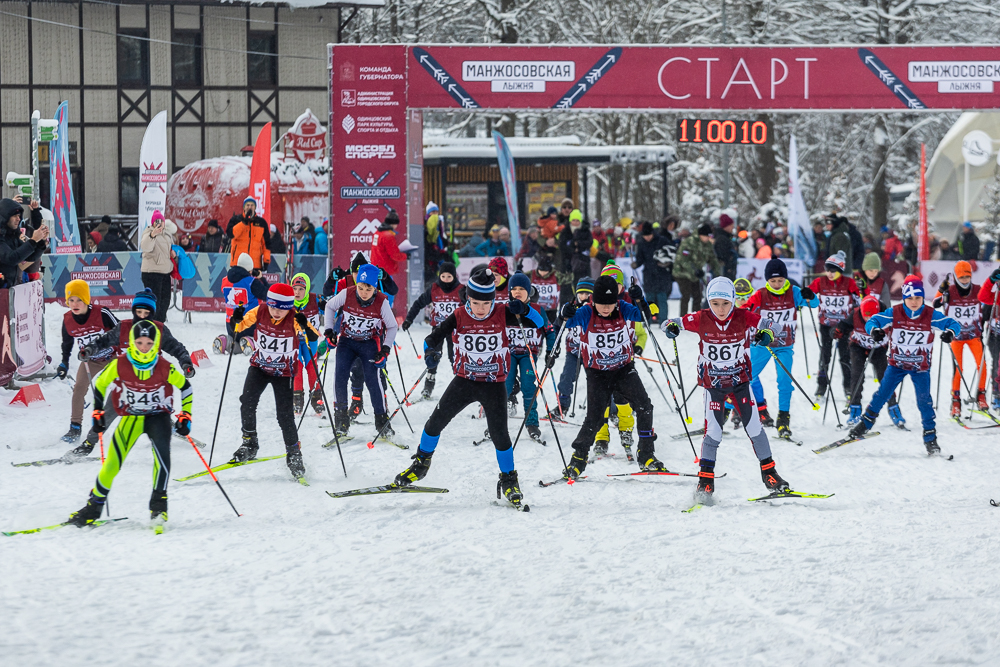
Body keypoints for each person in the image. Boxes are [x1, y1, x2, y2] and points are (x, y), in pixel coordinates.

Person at [393, 266, 541, 508]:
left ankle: (509, 479)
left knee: (500, 436)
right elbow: (434, 337)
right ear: (468, 299)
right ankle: (420, 465)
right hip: (464, 380)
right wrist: (430, 352)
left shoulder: (504, 312)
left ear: (493, 300)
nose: (480, 309)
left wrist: (524, 309)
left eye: (486, 304)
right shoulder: (460, 314)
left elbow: (538, 323)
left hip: (494, 383)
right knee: (434, 423)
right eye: (475, 303)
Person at [663, 277, 789, 504]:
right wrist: (671, 327)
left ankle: (770, 475)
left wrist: (767, 334)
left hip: (740, 384)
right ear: (709, 302)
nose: (720, 309)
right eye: (715, 303)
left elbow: (776, 326)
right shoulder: (700, 318)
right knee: (714, 431)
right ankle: (705, 479)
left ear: (733, 301)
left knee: (754, 428)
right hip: (714, 386)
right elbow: (669, 323)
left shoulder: (743, 316)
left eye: (725, 303)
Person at [65, 320, 194, 530]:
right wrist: (97, 411)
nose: (144, 347)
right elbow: (101, 383)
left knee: (162, 462)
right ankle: (92, 508)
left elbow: (185, 387)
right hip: (131, 418)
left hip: (158, 418)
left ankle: (158, 508)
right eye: (140, 342)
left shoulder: (163, 366)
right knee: (112, 463)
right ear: (133, 342)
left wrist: (185, 416)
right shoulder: (121, 363)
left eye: (149, 343)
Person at [556, 275, 662, 479]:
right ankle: (578, 460)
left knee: (644, 407)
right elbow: (566, 322)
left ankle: (646, 455)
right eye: (601, 304)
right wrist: (564, 313)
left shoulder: (623, 308)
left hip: (623, 369)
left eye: (610, 303)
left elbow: (644, 316)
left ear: (616, 300)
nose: (606, 308)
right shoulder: (586, 311)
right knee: (594, 418)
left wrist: (640, 300)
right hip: (598, 373)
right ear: (593, 301)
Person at [849, 277, 961, 455]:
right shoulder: (895, 312)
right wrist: (875, 330)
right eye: (910, 298)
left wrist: (950, 333)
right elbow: (873, 321)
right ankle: (865, 424)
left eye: (918, 298)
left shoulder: (930, 314)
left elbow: (953, 324)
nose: (914, 302)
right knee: (882, 394)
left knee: (924, 401)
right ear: (904, 298)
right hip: (896, 365)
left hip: (920, 367)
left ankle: (930, 438)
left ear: (923, 298)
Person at [229, 283, 320, 481]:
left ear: (289, 307)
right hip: (259, 368)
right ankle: (249, 443)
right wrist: (234, 319)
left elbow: (314, 337)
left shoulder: (295, 317)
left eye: (281, 308)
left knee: (284, 415)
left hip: (284, 372)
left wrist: (305, 325)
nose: (276, 312)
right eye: (273, 307)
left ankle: (294, 454)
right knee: (247, 402)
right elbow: (238, 326)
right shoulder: (260, 311)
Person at [744, 258, 818, 439]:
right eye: (773, 281)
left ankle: (783, 418)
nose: (777, 284)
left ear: (785, 278)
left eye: (780, 280)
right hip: (762, 345)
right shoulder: (760, 294)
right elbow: (745, 312)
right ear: (767, 280)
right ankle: (726, 412)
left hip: (784, 346)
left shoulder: (793, 292)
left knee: (785, 382)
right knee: (745, 376)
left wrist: (810, 295)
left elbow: (814, 304)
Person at [323, 264, 398, 440]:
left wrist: (385, 350)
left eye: (368, 288)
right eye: (361, 287)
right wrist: (328, 331)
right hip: (347, 342)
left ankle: (382, 421)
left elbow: (393, 326)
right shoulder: (347, 293)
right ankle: (341, 421)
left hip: (368, 344)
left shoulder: (381, 301)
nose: (364, 292)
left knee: (373, 381)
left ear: (375, 287)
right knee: (340, 377)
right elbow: (329, 307)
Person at [56, 280, 120, 444]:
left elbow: (121, 330)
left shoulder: (101, 313)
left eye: (79, 300)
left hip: (113, 356)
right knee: (79, 388)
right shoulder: (68, 319)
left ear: (86, 300)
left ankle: (154, 415)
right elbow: (67, 343)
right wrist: (64, 363)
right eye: (71, 300)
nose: (75, 304)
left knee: (129, 386)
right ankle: (75, 427)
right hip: (90, 360)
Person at [502, 272, 556, 443]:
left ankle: (532, 422)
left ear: (529, 291)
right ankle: (498, 423)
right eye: (514, 289)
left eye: (521, 289)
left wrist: (550, 352)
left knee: (528, 386)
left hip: (528, 354)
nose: (517, 292)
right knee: (505, 386)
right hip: (509, 353)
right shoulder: (504, 308)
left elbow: (547, 329)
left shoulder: (538, 309)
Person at [837, 295, 903, 427]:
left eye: (872, 317)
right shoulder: (855, 314)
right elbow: (843, 325)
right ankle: (855, 410)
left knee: (885, 377)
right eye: (866, 316)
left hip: (878, 349)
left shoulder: (887, 316)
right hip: (858, 347)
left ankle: (893, 408)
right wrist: (837, 331)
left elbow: (899, 329)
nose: (868, 320)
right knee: (857, 375)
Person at [933, 261, 988, 413]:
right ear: (956, 276)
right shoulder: (949, 290)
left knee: (982, 365)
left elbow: (989, 300)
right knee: (958, 369)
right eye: (962, 277)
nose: (965, 280)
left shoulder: (977, 289)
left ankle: (981, 396)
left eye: (967, 277)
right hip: (955, 337)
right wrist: (941, 290)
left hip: (974, 335)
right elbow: (936, 304)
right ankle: (955, 401)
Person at [403, 261, 461, 400]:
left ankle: (460, 387)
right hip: (439, 329)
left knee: (455, 358)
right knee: (432, 356)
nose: (446, 279)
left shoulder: (461, 290)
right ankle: (428, 385)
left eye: (449, 277)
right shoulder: (434, 289)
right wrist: (409, 319)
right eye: (443, 276)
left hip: (456, 330)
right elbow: (418, 303)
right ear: (439, 276)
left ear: (454, 276)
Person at [808, 250, 859, 399]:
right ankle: (822, 385)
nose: (829, 274)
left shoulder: (849, 283)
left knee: (845, 356)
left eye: (833, 271)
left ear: (840, 270)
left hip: (844, 325)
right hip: (826, 324)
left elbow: (859, 301)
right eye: (827, 270)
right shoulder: (820, 281)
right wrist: (806, 294)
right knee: (825, 355)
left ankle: (848, 386)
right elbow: (809, 293)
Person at [556, 277, 594, 414]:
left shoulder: (595, 308)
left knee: (598, 381)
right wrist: (555, 344)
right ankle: (563, 406)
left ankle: (612, 409)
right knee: (566, 377)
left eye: (587, 294)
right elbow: (558, 325)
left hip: (592, 353)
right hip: (573, 351)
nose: (583, 297)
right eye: (581, 293)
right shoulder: (570, 307)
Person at [219, 252, 269, 354]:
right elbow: (267, 295)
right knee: (259, 340)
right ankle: (250, 342)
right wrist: (261, 278)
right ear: (250, 269)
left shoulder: (225, 280)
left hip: (231, 325)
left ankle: (226, 342)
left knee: (236, 346)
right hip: (249, 325)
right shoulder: (252, 282)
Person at [291, 273, 326, 416]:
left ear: (307, 289)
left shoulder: (314, 299)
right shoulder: (288, 301)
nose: (297, 292)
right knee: (297, 367)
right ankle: (297, 398)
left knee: (312, 366)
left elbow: (330, 309)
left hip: (310, 340)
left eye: (301, 289)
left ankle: (317, 399)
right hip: (294, 340)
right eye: (295, 289)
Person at [673, 223, 722, 317]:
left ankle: (697, 318)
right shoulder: (689, 242)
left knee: (697, 296)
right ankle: (683, 318)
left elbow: (712, 259)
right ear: (701, 235)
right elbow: (683, 260)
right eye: (707, 236)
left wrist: (718, 273)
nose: (708, 238)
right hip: (682, 273)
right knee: (686, 295)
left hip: (695, 275)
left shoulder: (707, 245)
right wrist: (694, 270)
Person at [0, 197, 47, 288]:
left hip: (9, 289)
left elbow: (31, 257)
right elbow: (11, 258)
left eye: (19, 216)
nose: (18, 219)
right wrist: (33, 241)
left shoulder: (12, 235)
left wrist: (40, 241)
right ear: (5, 217)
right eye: (15, 216)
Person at [632, 221, 673, 321]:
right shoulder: (641, 243)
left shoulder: (662, 240)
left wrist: (667, 263)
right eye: (645, 236)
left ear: (653, 233)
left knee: (662, 297)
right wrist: (636, 264)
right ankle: (648, 319)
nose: (647, 238)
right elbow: (640, 258)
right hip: (648, 275)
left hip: (662, 274)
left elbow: (671, 254)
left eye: (649, 235)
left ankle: (663, 320)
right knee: (649, 298)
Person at [139, 211, 175, 322]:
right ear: (152, 222)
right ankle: (153, 323)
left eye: (161, 221)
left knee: (166, 300)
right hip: (152, 272)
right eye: (156, 221)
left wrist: (171, 253)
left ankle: (160, 323)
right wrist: (152, 235)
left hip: (164, 272)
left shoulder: (167, 234)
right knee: (155, 301)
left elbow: (166, 249)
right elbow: (145, 247)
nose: (159, 223)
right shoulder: (148, 232)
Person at [227, 197, 271, 270]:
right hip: (238, 263)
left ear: (255, 207)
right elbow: (231, 234)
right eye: (247, 205)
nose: (249, 207)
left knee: (254, 281)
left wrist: (266, 260)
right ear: (244, 207)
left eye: (252, 205)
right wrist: (243, 223)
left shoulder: (261, 222)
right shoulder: (235, 220)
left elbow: (266, 244)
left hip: (255, 264)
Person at [979, 268, 1000, 410]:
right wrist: (991, 280)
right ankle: (997, 394)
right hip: (995, 335)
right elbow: (982, 297)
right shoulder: (997, 296)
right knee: (998, 366)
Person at [370, 209, 410, 276]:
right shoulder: (388, 236)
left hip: (376, 269)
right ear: (394, 224)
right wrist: (405, 256)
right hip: (385, 270)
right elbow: (394, 255)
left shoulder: (377, 233)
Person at [529, 254, 560, 323]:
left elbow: (569, 279)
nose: (542, 273)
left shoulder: (556, 275)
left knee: (552, 329)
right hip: (535, 308)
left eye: (545, 271)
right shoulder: (532, 274)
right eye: (541, 271)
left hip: (551, 310)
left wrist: (567, 271)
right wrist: (519, 271)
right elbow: (519, 279)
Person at [713, 213, 739, 280]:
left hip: (728, 271)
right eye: (731, 225)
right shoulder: (722, 239)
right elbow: (722, 256)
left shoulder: (727, 237)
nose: (733, 227)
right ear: (726, 226)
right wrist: (729, 265)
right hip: (725, 272)